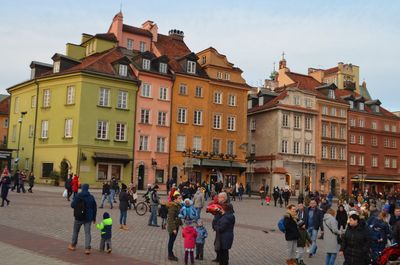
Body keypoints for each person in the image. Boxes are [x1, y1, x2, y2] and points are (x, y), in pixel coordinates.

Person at [68, 184, 97, 255]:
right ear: (88, 189)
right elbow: (94, 208)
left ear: (82, 188)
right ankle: (87, 248)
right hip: (88, 218)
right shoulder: (91, 197)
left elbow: (72, 205)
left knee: (75, 231)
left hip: (78, 217)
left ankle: (73, 245)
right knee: (87, 233)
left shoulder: (78, 196)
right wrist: (94, 218)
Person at [212, 192, 235, 265]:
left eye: (219, 197)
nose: (218, 199)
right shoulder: (226, 213)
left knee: (224, 253)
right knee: (222, 251)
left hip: (225, 236)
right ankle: (219, 259)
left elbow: (221, 227)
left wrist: (216, 226)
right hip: (223, 235)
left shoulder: (227, 213)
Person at [167, 194, 183, 261]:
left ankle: (171, 253)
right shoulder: (173, 207)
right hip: (172, 227)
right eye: (179, 198)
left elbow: (179, 216)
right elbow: (170, 219)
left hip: (176, 226)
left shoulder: (178, 206)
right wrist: (173, 229)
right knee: (171, 241)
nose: (181, 199)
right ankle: (170, 255)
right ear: (175, 199)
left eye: (181, 198)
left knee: (172, 240)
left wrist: (181, 224)